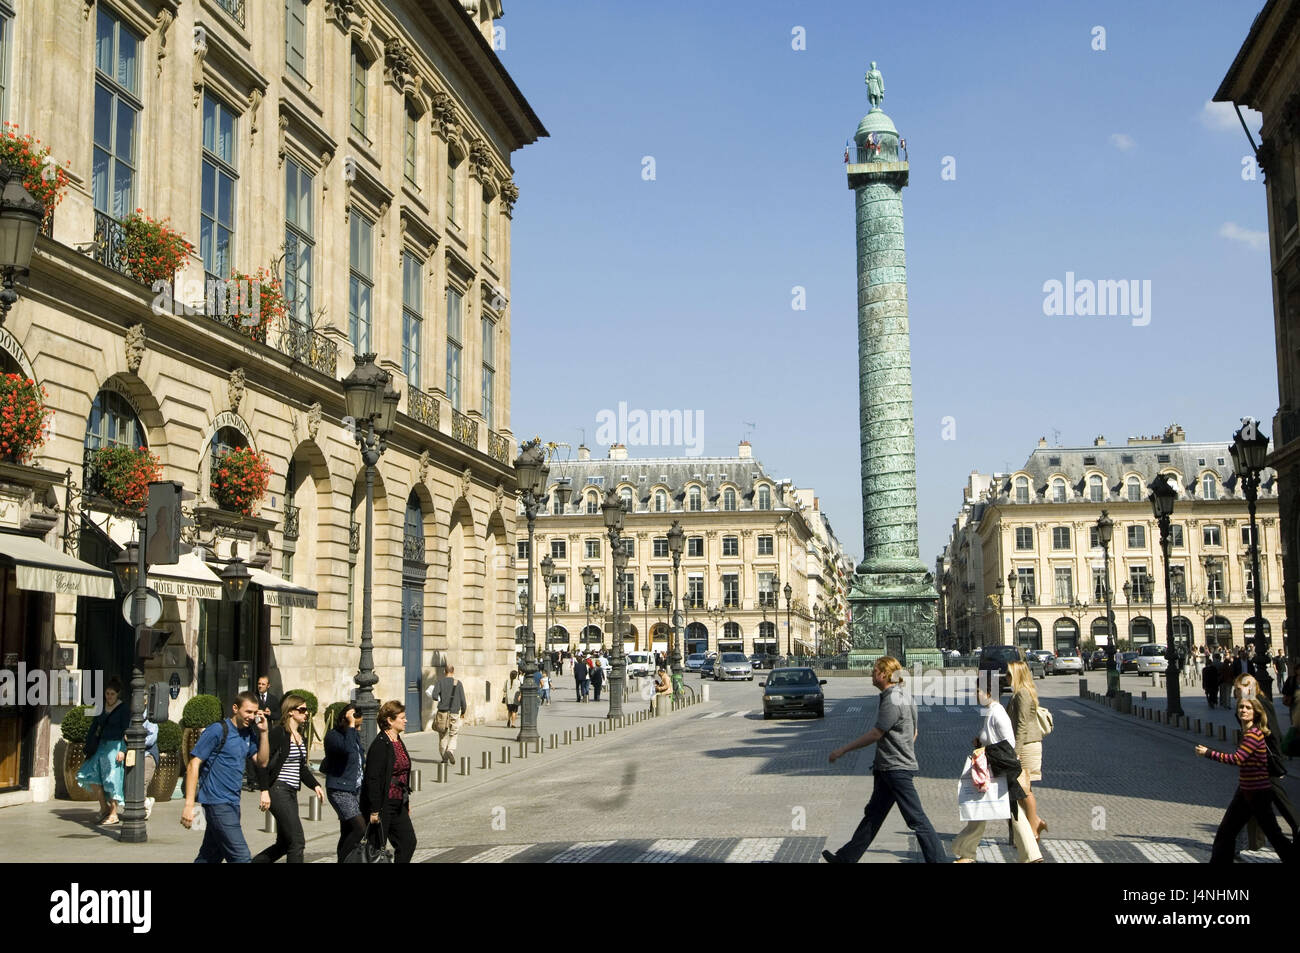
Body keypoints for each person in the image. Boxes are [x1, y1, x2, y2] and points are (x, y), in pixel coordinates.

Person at [822, 656, 945, 863]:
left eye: (874, 671)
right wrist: (903, 749)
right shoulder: (906, 696)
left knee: (916, 819)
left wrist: (843, 750)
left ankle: (939, 860)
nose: (871, 674)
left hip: (895, 770)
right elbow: (914, 732)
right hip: (890, 768)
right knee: (873, 816)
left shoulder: (892, 699)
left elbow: (876, 734)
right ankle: (845, 858)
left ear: (884, 674)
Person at [952, 675, 1042, 863]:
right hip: (995, 770)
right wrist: (980, 742)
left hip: (1000, 771)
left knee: (992, 811)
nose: (976, 694)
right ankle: (1032, 856)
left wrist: (987, 750)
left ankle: (967, 854)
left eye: (978, 691)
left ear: (988, 692)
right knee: (1004, 813)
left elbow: (1008, 742)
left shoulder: (997, 712)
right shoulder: (990, 711)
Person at [1196, 695, 1295, 863]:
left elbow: (1237, 759)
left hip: (1257, 792)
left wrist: (1208, 753)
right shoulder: (1249, 733)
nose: (1243, 710)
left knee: (1272, 834)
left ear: (1255, 713)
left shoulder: (1253, 735)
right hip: (1246, 790)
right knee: (1227, 832)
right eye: (1241, 707)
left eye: (1248, 708)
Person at [182, 692, 270, 863]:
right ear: (235, 708)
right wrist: (189, 805)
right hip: (217, 802)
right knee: (241, 856)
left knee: (210, 855)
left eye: (254, 713)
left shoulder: (248, 733)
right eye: (248, 712)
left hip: (233, 802)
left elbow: (262, 762)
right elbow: (194, 764)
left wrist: (264, 733)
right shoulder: (218, 730)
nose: (251, 717)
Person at [252, 694, 323, 863]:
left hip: (291, 792)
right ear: (291, 711)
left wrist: (316, 786)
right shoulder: (279, 733)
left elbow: (301, 768)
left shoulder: (300, 736)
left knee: (285, 843)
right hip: (278, 790)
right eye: (302, 710)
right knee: (297, 841)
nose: (306, 713)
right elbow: (263, 763)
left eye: (306, 710)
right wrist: (264, 791)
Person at [362, 700, 416, 863]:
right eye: (402, 717)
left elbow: (403, 774)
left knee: (408, 842)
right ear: (390, 720)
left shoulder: (397, 741)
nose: (406, 720)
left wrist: (406, 801)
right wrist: (374, 810)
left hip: (398, 802)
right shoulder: (380, 744)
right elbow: (373, 779)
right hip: (383, 804)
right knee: (376, 850)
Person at [76, 676, 129, 826]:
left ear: (117, 694)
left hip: (115, 746)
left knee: (112, 779)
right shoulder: (100, 706)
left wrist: (123, 750)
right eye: (107, 693)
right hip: (100, 746)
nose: (109, 697)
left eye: (112, 694)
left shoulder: (123, 709)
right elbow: (94, 726)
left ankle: (114, 813)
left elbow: (126, 730)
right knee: (91, 775)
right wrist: (88, 745)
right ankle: (103, 807)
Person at [1006, 660, 1049, 839]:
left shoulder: (1022, 694)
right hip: (1025, 744)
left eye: (1009, 673)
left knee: (1024, 789)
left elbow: (1022, 724)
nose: (1006, 677)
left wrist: (1016, 751)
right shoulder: (1020, 693)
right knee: (1021, 788)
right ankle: (1033, 823)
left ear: (1016, 674)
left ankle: (1033, 826)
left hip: (1027, 746)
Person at [322, 703, 366, 863]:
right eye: (357, 725)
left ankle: (346, 859)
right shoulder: (333, 736)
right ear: (343, 720)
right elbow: (347, 750)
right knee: (360, 827)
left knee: (347, 830)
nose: (358, 729)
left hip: (355, 788)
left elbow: (360, 757)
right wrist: (351, 726)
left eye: (360, 725)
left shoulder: (353, 735)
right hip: (340, 789)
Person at [429, 665, 467, 765]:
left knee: (442, 735)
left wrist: (440, 698)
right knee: (453, 734)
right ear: (453, 671)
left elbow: (434, 696)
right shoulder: (458, 683)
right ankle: (450, 750)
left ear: (444, 671)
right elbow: (463, 700)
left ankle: (444, 757)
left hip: (442, 712)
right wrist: (463, 711)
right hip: (454, 712)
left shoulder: (440, 682)